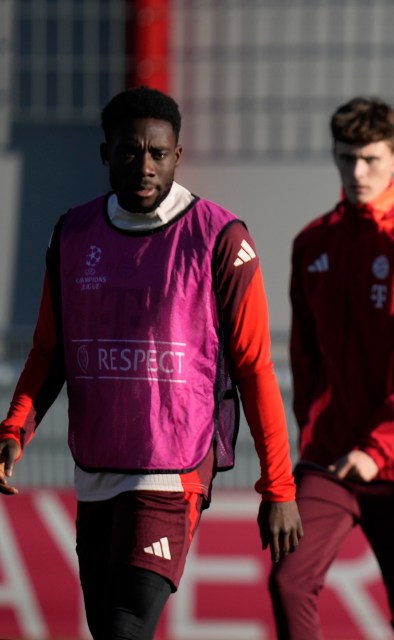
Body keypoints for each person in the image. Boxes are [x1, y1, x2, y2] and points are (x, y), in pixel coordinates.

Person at [0, 86, 303, 640]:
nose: (144, 166)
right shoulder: (72, 234)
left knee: (125, 627)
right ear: (104, 155)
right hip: (96, 469)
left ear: (177, 156)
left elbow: (255, 367)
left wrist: (278, 488)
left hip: (172, 468)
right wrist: (15, 428)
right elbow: (50, 351)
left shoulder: (220, 238)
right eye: (129, 152)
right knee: (106, 629)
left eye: (158, 154)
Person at [269, 96, 394, 640]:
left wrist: (378, 450)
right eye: (346, 158)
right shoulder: (312, 243)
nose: (357, 172)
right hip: (330, 455)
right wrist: (314, 430)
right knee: (289, 581)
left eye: (370, 159)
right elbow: (304, 357)